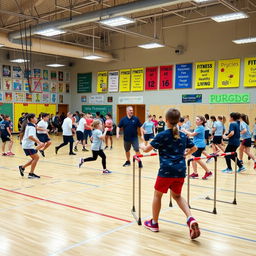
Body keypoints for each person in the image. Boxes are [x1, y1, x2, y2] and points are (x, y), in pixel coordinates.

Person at [140, 108, 200, 239]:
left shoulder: (162, 135)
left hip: (166, 171)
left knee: (157, 195)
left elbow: (146, 150)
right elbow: (194, 148)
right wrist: (186, 154)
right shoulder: (183, 135)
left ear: (166, 121)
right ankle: (190, 218)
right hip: (180, 170)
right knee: (177, 196)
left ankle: (154, 223)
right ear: (178, 121)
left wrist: (140, 145)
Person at [182, 116, 212, 180]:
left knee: (196, 159)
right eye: (196, 119)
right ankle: (195, 173)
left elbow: (192, 134)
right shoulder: (198, 127)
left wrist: (185, 130)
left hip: (199, 145)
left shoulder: (200, 127)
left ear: (201, 121)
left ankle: (208, 172)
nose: (196, 121)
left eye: (198, 120)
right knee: (193, 159)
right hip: (197, 144)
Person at [19, 113, 44, 179]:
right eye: (35, 118)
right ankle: (31, 174)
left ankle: (22, 167)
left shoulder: (30, 125)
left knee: (34, 158)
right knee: (36, 158)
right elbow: (30, 136)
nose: (36, 119)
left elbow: (33, 135)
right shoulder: (31, 127)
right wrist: (39, 142)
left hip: (28, 145)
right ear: (31, 119)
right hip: (28, 146)